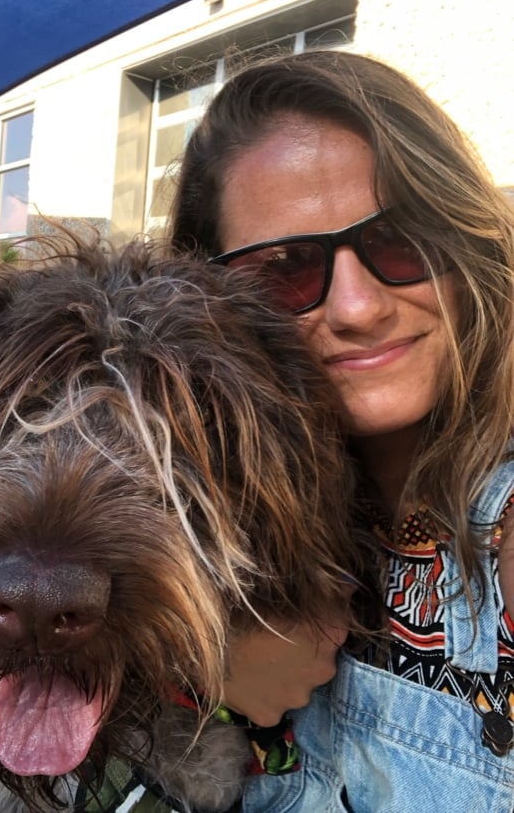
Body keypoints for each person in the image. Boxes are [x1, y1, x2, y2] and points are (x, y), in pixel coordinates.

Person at [168, 49, 514, 810]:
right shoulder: (194, 521)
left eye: (403, 240)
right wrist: (199, 663)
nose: (358, 308)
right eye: (283, 268)